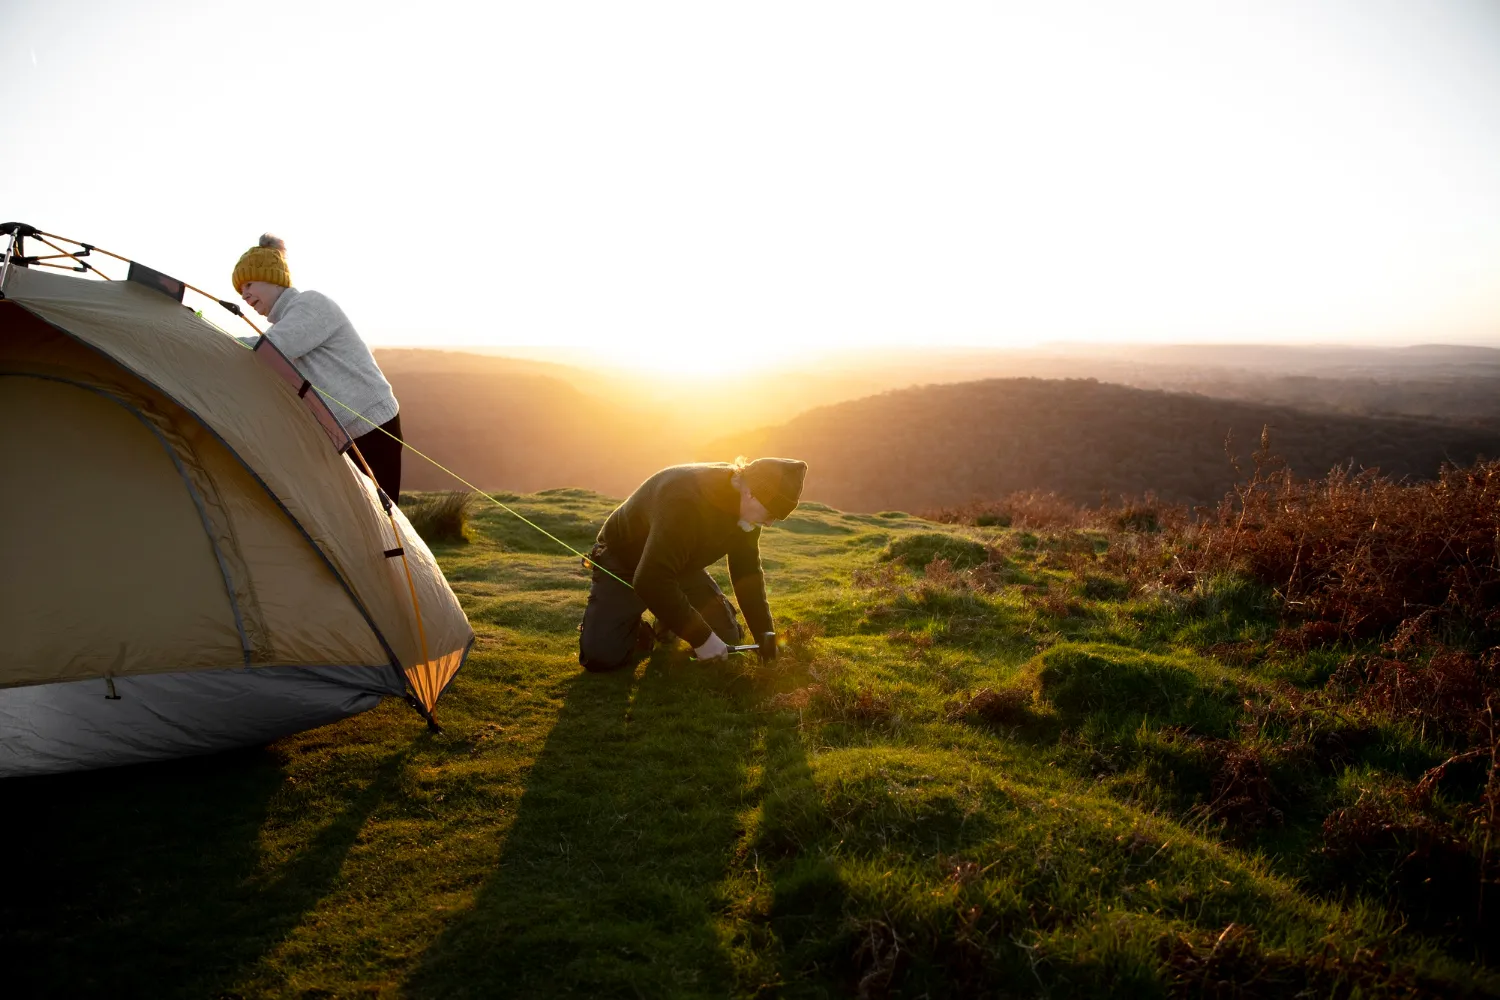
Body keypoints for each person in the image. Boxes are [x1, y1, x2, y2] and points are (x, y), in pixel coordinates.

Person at [579, 458, 808, 672]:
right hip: (624, 559)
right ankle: (636, 627)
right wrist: (702, 639)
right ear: (751, 494)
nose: (768, 523)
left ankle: (668, 619)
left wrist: (764, 635)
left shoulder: (748, 510)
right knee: (602, 657)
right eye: (770, 514)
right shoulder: (685, 501)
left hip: (679, 566)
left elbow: (746, 572)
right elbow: (650, 578)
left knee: (727, 638)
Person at [232, 233, 404, 501]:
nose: (244, 295)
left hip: (374, 428)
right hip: (346, 436)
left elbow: (271, 351)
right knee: (362, 520)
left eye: (248, 284)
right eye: (240, 291)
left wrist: (215, 340)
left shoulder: (310, 305)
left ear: (273, 278)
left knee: (383, 520)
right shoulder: (287, 322)